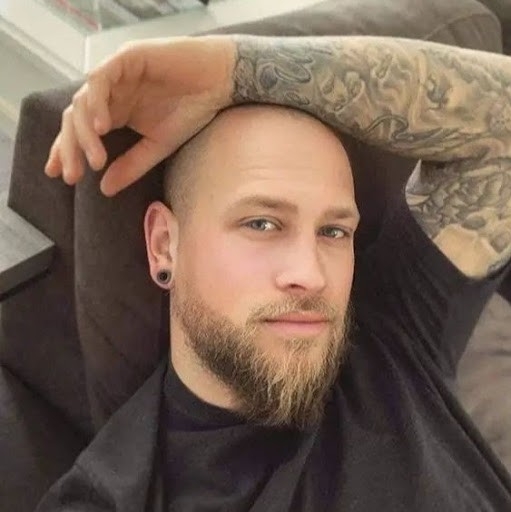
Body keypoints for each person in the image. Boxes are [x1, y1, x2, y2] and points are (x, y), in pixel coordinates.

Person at [37, 35, 511, 511]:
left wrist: (235, 69)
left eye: (333, 231)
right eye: (261, 224)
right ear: (164, 245)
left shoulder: (392, 330)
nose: (311, 275)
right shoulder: (114, 498)